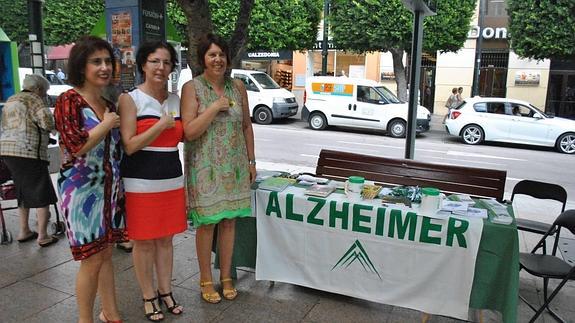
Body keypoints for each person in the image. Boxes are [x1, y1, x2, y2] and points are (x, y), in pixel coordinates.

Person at [181, 33, 256, 304]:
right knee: (207, 224)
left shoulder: (238, 86)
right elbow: (189, 132)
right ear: (203, 59)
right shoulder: (193, 88)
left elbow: (246, 125)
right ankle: (205, 278)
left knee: (229, 223)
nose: (218, 59)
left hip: (234, 167)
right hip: (205, 168)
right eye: (212, 54)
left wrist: (251, 161)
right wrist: (213, 107)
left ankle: (225, 276)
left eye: (221, 54)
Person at [54, 35, 124, 323]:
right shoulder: (68, 100)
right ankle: (85, 320)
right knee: (92, 259)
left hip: (110, 191)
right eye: (96, 61)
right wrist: (106, 125)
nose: (104, 67)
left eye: (107, 61)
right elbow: (75, 146)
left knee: (106, 255)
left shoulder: (109, 103)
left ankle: (111, 312)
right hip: (82, 192)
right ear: (81, 66)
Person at [118, 41, 186, 321]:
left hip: (171, 179)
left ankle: (166, 291)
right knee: (144, 242)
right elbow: (130, 145)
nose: (161, 67)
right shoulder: (130, 99)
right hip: (140, 183)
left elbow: (183, 135)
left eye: (167, 62)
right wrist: (160, 125)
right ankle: (148, 295)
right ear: (143, 64)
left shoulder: (175, 100)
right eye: (155, 61)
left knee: (166, 240)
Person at [0, 74, 59, 247]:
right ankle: (43, 235)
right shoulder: (34, 100)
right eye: (45, 92)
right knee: (42, 191)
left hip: (7, 151)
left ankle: (24, 230)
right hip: (28, 151)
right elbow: (48, 123)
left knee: (22, 190)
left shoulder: (11, 99)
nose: (45, 95)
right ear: (39, 89)